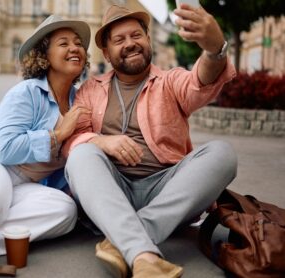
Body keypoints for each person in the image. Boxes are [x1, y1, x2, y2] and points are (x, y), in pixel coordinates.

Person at [63, 4, 237, 278]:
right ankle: (144, 256)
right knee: (81, 154)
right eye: (119, 40)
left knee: (222, 153)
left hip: (165, 189)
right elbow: (70, 140)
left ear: (148, 40)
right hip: (113, 191)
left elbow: (199, 82)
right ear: (107, 53)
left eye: (136, 36)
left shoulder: (170, 80)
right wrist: (102, 142)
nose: (130, 44)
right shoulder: (90, 90)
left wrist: (215, 48)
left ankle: (125, 240)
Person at [0, 15, 91, 259]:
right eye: (63, 44)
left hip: (25, 184)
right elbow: (7, 149)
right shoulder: (27, 92)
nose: (75, 48)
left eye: (78, 43)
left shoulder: (82, 101)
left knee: (64, 211)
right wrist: (59, 134)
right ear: (45, 56)